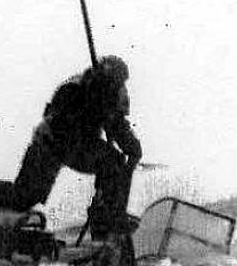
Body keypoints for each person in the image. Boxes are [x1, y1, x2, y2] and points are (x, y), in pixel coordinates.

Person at [9, 55, 141, 238]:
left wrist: (133, 148)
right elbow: (61, 128)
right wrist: (91, 105)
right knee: (24, 199)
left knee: (114, 163)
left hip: (80, 144)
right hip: (51, 143)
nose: (116, 87)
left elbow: (119, 126)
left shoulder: (113, 94)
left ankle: (107, 221)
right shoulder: (72, 89)